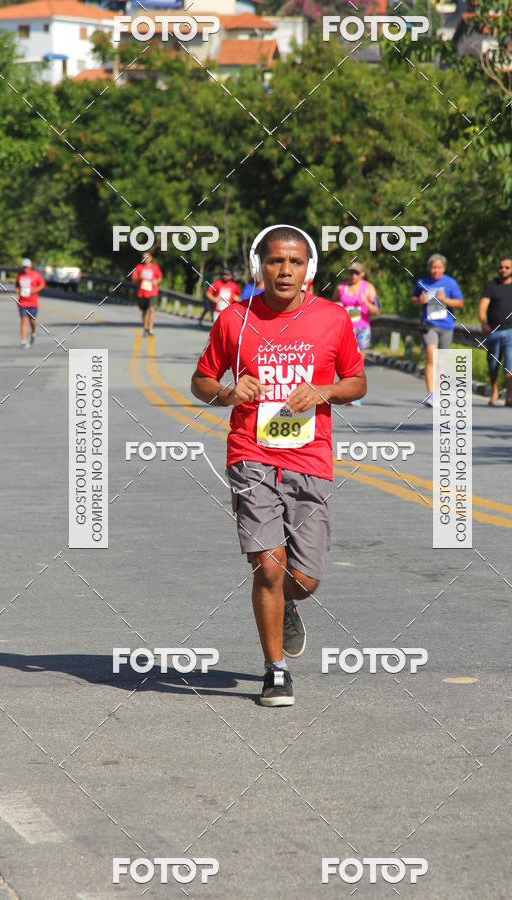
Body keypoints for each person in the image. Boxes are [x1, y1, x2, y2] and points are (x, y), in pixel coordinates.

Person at [191, 225, 367, 707]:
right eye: (275, 261)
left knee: (303, 579)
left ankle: (287, 603)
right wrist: (228, 392)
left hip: (310, 457)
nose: (285, 270)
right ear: (259, 267)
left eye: (294, 262)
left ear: (308, 270)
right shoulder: (235, 319)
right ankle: (276, 670)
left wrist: (325, 391)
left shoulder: (332, 319)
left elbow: (357, 381)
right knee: (269, 567)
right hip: (251, 453)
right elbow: (201, 381)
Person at [411, 253, 464, 406]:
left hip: (446, 325)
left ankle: (438, 392)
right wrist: (419, 300)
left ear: (444, 268)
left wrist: (445, 300)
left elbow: (460, 303)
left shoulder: (451, 283)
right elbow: (413, 298)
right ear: (429, 268)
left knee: (441, 361)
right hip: (429, 325)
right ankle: (431, 394)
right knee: (431, 357)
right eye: (433, 267)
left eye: (439, 267)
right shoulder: (422, 282)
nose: (436, 270)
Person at [478, 256, 512, 407]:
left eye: (507, 267)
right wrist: (484, 324)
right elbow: (482, 308)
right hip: (494, 331)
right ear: (498, 269)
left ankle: (509, 396)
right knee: (493, 364)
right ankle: (494, 390)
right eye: (501, 267)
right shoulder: (491, 287)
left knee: (511, 365)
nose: (504, 270)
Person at [332, 262, 380, 406]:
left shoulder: (369, 288)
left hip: (362, 329)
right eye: (351, 272)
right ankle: (345, 391)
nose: (353, 275)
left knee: (359, 361)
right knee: (343, 361)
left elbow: (376, 311)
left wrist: (366, 302)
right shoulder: (341, 288)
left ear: (362, 274)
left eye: (356, 273)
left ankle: (355, 396)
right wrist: (339, 307)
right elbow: (331, 306)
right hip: (345, 329)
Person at [15, 258, 46, 348]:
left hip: (33, 303)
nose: (26, 269)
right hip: (22, 302)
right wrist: (17, 292)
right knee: (24, 320)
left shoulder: (36, 275)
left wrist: (35, 290)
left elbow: (42, 284)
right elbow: (17, 286)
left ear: (30, 267)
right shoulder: (20, 276)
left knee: (32, 321)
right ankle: (24, 341)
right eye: (24, 267)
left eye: (27, 267)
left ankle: (33, 332)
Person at [131, 252, 162, 336]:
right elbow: (133, 279)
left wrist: (156, 281)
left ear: (151, 258)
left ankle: (151, 328)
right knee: (144, 311)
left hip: (153, 292)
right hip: (142, 293)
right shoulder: (139, 267)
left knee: (152, 310)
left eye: (147, 257)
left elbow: (159, 278)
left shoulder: (155, 267)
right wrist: (139, 278)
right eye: (144, 257)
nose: (146, 259)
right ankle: (145, 327)